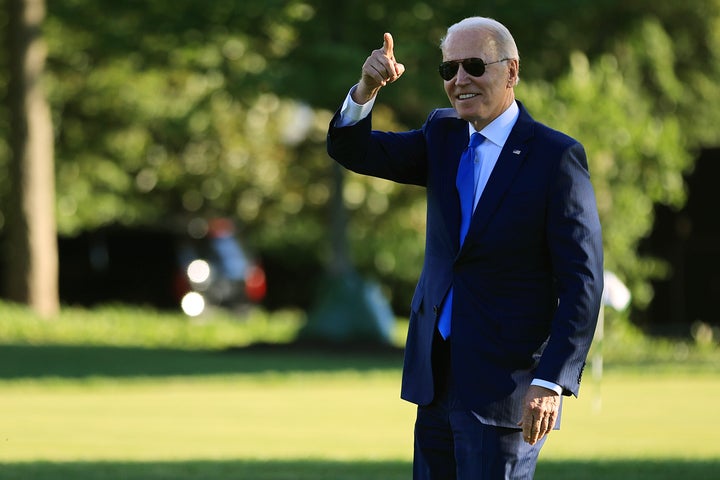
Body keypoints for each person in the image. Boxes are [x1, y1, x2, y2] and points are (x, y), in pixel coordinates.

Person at [327, 16, 604, 480]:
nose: (460, 80)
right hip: (434, 380)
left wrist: (552, 379)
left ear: (511, 72)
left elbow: (583, 281)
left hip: (507, 389)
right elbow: (354, 151)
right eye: (449, 70)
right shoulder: (443, 134)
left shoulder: (556, 157)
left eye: (474, 65)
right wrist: (366, 89)